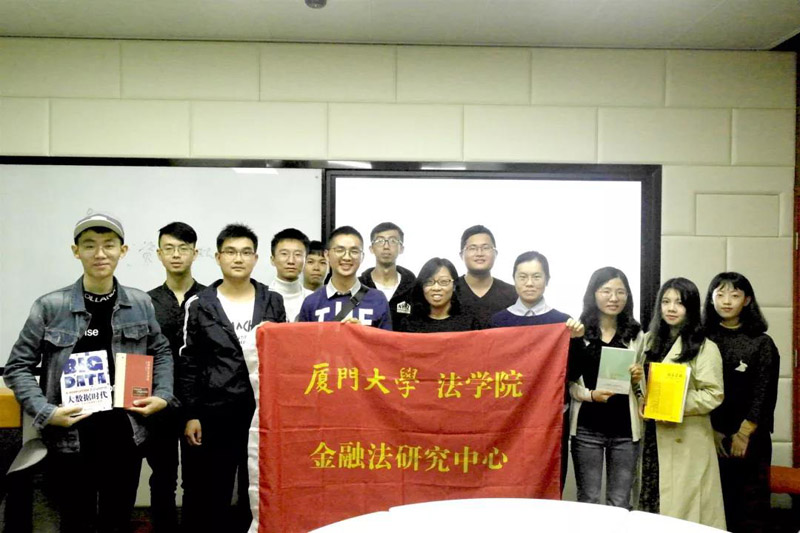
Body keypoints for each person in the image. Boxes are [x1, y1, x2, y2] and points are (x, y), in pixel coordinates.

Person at [4, 212, 174, 532]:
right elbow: (17, 366)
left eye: (109, 245)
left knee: (116, 522)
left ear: (122, 251)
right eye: (89, 245)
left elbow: (161, 351)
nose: (100, 253)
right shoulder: (50, 306)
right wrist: (46, 412)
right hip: (70, 438)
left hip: (125, 435)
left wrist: (163, 395)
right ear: (76, 251)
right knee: (75, 523)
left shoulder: (140, 303)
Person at [177, 223, 286, 532]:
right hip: (214, 413)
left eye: (246, 252)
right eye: (231, 252)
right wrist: (191, 414)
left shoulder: (272, 301)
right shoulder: (199, 304)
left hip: (259, 413)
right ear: (218, 257)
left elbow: (282, 358)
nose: (238, 259)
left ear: (256, 258)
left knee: (257, 489)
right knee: (214, 490)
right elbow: (188, 362)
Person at [489, 251, 584, 490]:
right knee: (508, 481)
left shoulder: (563, 322)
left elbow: (573, 374)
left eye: (536, 276)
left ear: (547, 280)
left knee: (548, 479)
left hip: (549, 419)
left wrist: (576, 340)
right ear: (514, 280)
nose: (529, 283)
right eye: (523, 277)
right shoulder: (497, 322)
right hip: (508, 418)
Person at [638, 277, 726, 529]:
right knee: (652, 500)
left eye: (679, 302)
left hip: (686, 437)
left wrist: (674, 403)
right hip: (653, 434)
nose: (671, 308)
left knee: (684, 509)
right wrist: (640, 395)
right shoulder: (648, 340)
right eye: (666, 302)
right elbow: (642, 384)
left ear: (691, 307)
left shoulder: (704, 346)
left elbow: (714, 393)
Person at [703, 272, 779, 533]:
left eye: (734, 295)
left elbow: (764, 392)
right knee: (715, 505)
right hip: (710, 433)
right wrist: (711, 430)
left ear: (746, 300)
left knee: (750, 508)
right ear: (711, 298)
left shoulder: (761, 342)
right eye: (720, 294)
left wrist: (744, 433)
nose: (727, 301)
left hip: (751, 436)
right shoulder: (702, 339)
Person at [146, 221, 206, 531]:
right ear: (159, 254)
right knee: (162, 477)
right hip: (159, 403)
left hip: (200, 404)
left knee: (198, 479)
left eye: (183, 248)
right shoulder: (145, 302)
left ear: (195, 253)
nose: (176, 255)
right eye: (168, 248)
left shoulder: (211, 299)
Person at [568, 267, 644, 509]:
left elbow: (641, 387)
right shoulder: (579, 332)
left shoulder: (635, 334)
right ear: (593, 293)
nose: (614, 298)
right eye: (606, 291)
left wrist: (638, 377)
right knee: (588, 500)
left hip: (625, 431)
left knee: (620, 502)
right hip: (587, 429)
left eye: (620, 292)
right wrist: (590, 395)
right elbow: (569, 383)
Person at [298, 226, 391, 329]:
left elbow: (385, 339)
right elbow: (303, 339)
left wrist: (362, 333)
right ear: (327, 255)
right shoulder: (311, 302)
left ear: (362, 257)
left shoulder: (377, 299)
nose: (347, 257)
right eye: (339, 250)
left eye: (354, 251)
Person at [454, 225, 516, 327]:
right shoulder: (450, 291)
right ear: (461, 255)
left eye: (486, 248)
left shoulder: (513, 294)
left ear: (495, 253)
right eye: (472, 248)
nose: (479, 253)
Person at [358, 222, 416, 331]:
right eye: (380, 241)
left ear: (401, 248)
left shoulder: (415, 289)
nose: (386, 246)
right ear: (371, 248)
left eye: (393, 241)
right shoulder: (358, 287)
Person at [399, 258, 481, 333]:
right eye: (429, 282)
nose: (436, 288)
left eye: (443, 281)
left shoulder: (469, 322)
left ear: (454, 285)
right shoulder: (409, 323)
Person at [269, 228, 312, 321]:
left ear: (306, 260)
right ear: (272, 259)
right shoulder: (261, 298)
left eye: (298, 254)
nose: (291, 261)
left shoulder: (314, 299)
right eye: (284, 254)